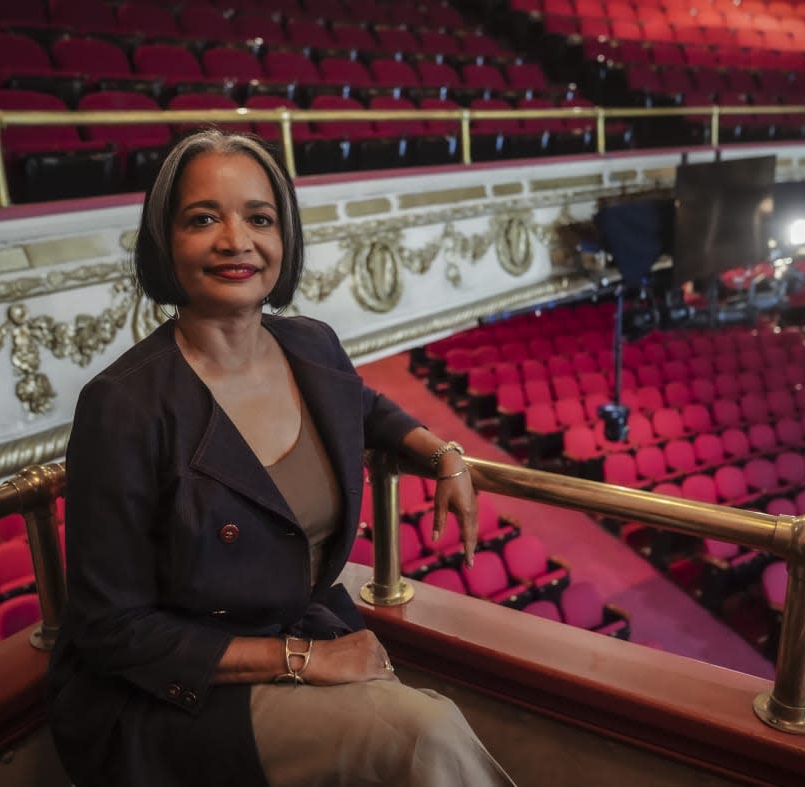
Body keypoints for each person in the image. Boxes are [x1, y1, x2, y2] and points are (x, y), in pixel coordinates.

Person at [47, 129, 516, 787]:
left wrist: (443, 453)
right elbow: (110, 629)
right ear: (165, 242)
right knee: (425, 733)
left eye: (259, 218)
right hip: (176, 690)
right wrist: (301, 659)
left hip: (293, 626)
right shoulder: (121, 405)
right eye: (203, 218)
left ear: (284, 237)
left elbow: (366, 407)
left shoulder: (311, 344)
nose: (237, 240)